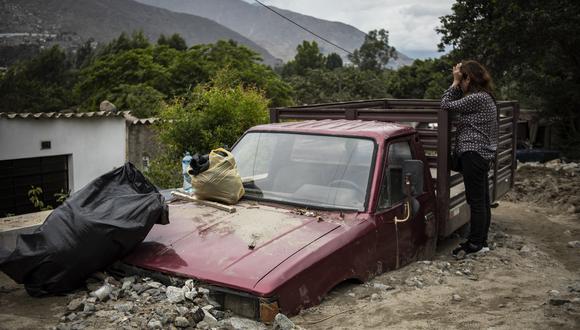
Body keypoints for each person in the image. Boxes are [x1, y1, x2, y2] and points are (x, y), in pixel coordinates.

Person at [441, 60, 498, 257]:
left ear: (468, 78)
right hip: (480, 154)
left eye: (462, 78)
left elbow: (445, 104)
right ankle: (480, 242)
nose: (460, 82)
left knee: (477, 201)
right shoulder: (484, 97)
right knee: (481, 200)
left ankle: (475, 244)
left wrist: (454, 83)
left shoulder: (477, 98)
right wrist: (458, 81)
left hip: (473, 154)